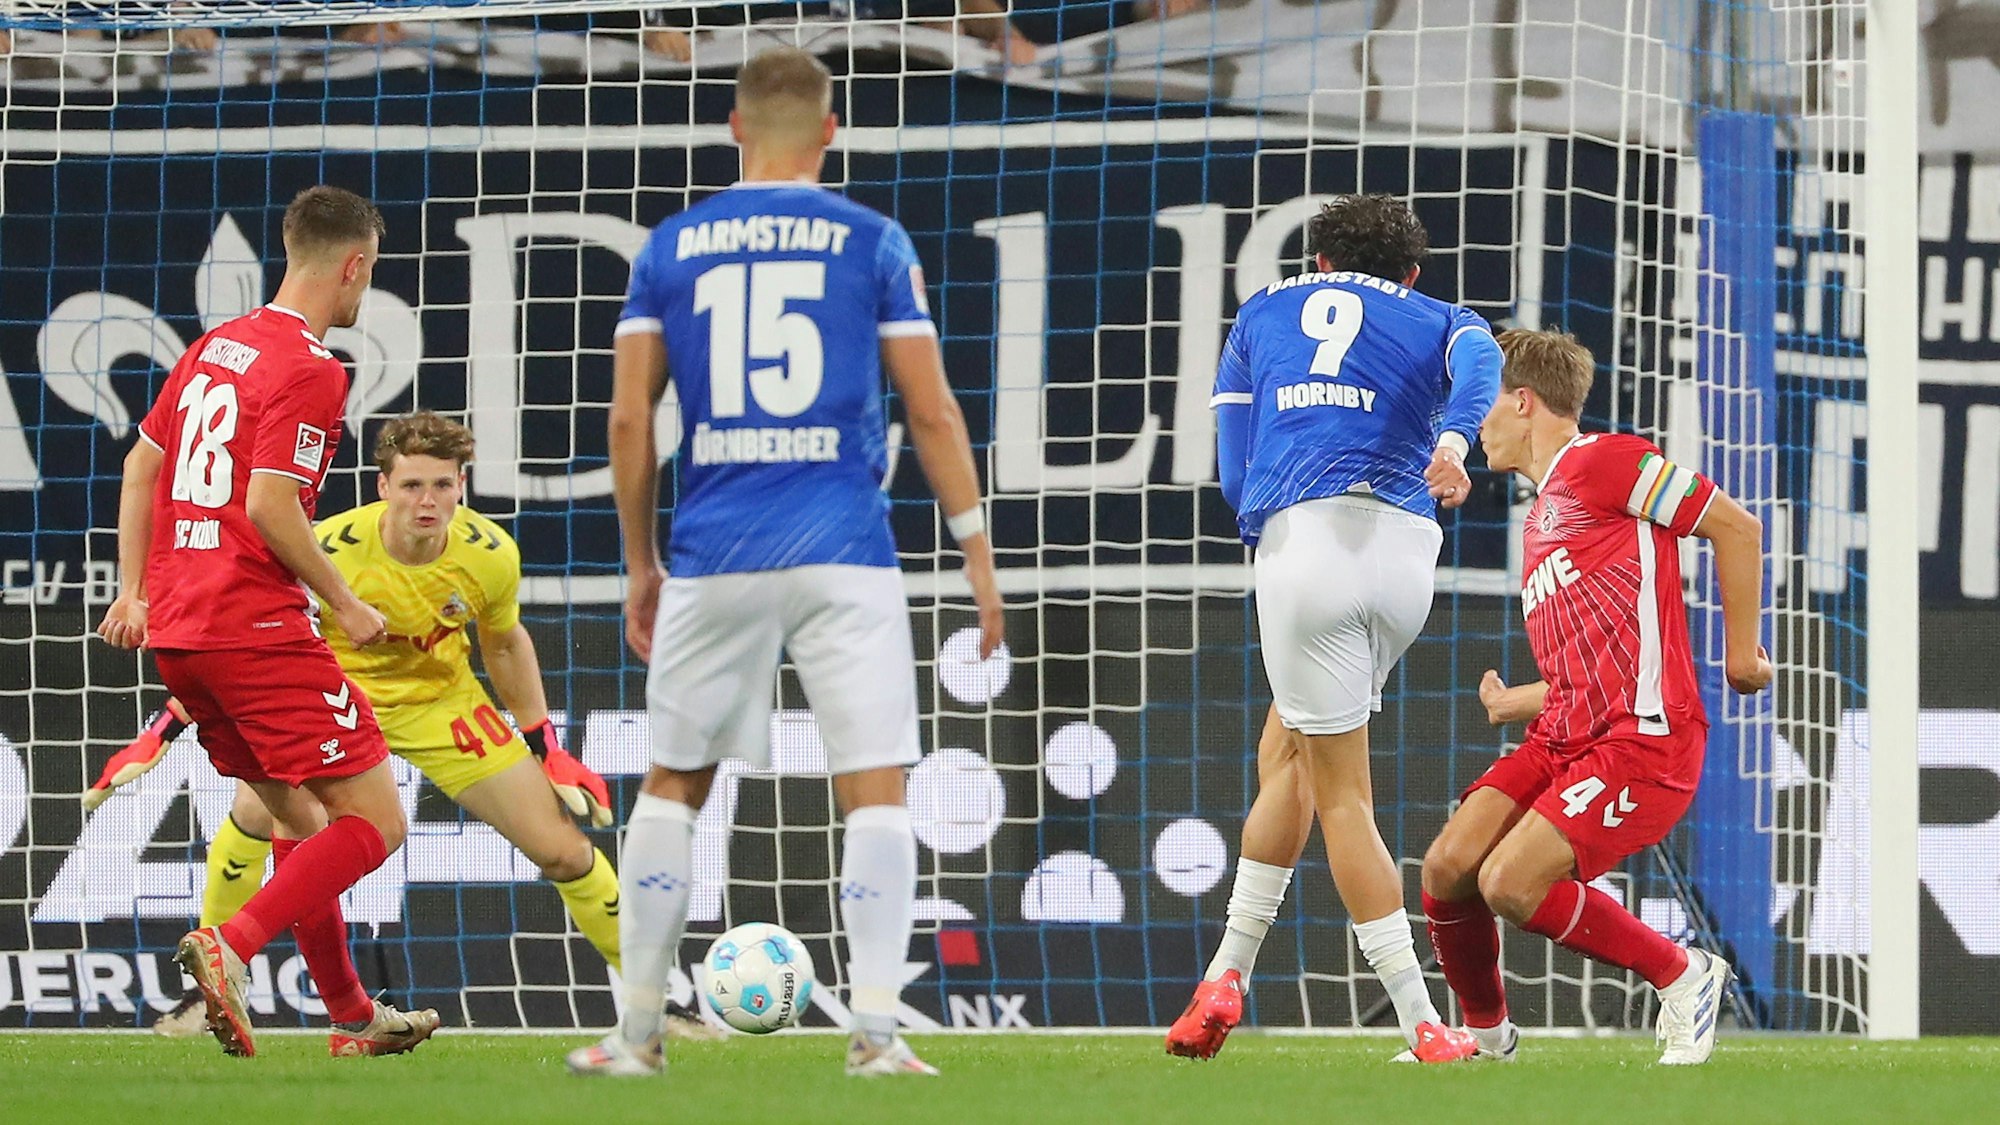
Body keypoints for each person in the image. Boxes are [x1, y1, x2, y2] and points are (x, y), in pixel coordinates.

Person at [567, 44, 1002, 1078]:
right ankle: (878, 1036)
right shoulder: (872, 241)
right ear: (829, 132)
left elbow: (630, 418)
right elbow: (931, 409)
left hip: (714, 548)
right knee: (876, 788)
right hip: (844, 546)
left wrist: (639, 560)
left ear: (730, 128)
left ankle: (636, 1038)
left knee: (673, 783)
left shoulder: (670, 246)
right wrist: (977, 558)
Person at [86, 412, 722, 1041]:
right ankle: (208, 995)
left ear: (461, 485)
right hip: (334, 693)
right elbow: (258, 647)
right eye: (413, 485)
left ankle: (654, 1001)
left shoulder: (490, 555)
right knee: (258, 814)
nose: (428, 501)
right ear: (383, 486)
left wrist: (545, 745)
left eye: (442, 486)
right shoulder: (326, 547)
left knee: (563, 849)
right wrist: (165, 728)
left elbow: (502, 646)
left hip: (441, 704)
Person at [96, 185, 438, 1059]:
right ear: (354, 264)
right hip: (254, 628)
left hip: (179, 634)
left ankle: (355, 1017)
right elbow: (274, 506)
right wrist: (347, 601)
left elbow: (142, 464)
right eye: (371, 271)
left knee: (300, 819)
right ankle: (230, 943)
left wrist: (133, 592)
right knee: (376, 821)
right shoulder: (316, 368)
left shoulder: (217, 346)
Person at [1166, 193, 1501, 1064]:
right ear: (1412, 271)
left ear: (1317, 262)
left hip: (1305, 551)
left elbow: (1236, 467)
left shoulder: (1261, 313)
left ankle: (1420, 1020)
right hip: (1404, 560)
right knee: (1292, 755)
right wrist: (1458, 443)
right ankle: (1224, 976)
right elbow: (1481, 369)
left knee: (1341, 791)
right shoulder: (1443, 316)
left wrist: (1271, 536)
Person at [1418, 328, 1772, 1065]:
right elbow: (1600, 656)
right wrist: (1517, 702)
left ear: (1523, 401)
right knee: (1447, 865)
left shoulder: (1607, 461)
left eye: (1485, 405)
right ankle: (1488, 1041)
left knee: (1510, 883)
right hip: (1564, 736)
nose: (1477, 422)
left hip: (1644, 739)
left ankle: (1685, 974)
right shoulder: (1543, 514)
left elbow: (1736, 527)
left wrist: (1741, 653)